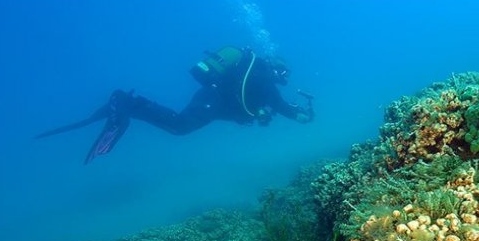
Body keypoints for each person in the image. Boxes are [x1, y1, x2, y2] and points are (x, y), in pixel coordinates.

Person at [35, 46, 315, 164]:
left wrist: (288, 113)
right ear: (277, 69)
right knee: (180, 127)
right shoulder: (264, 79)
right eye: (285, 74)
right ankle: (127, 102)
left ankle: (130, 104)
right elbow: (284, 108)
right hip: (213, 101)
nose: (285, 79)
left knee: (180, 127)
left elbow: (271, 106)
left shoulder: (260, 80)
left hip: (213, 100)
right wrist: (306, 116)